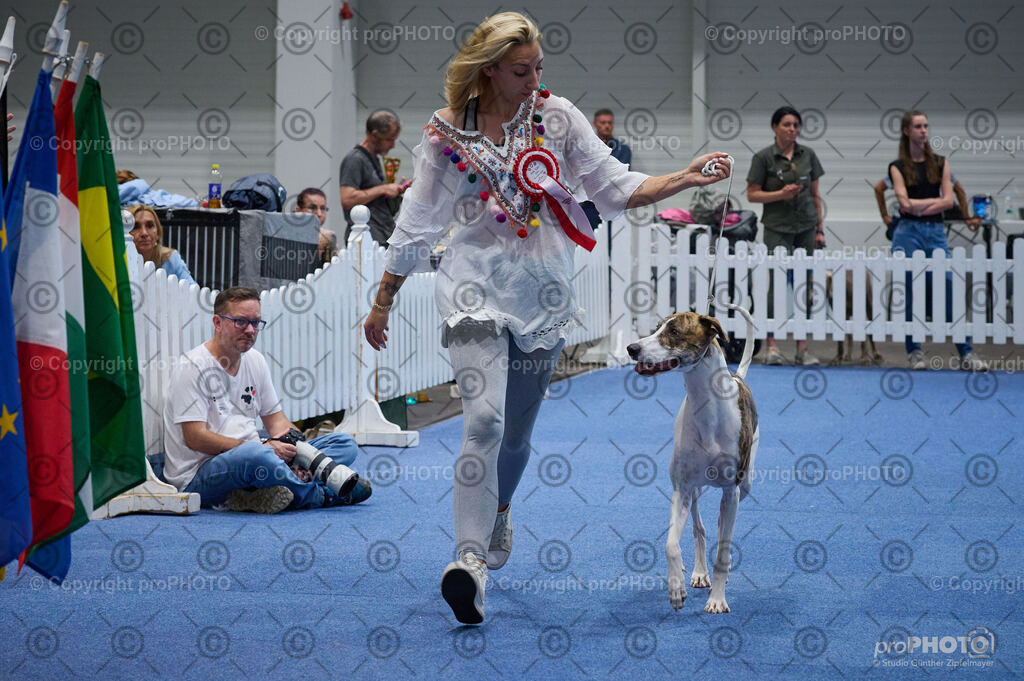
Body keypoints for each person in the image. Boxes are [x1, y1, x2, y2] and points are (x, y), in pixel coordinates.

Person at [362, 11, 732, 624]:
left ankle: (499, 509)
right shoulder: (444, 135)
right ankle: (469, 563)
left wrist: (681, 178)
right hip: (472, 287)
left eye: (539, 66)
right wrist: (384, 298)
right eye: (521, 69)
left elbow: (612, 184)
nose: (536, 77)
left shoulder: (557, 117)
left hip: (545, 294)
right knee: (482, 418)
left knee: (516, 435)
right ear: (488, 71)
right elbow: (419, 221)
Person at [163, 286, 372, 512]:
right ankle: (322, 495)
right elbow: (195, 438)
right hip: (200, 474)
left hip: (258, 454)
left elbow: (277, 423)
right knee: (256, 456)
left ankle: (262, 491)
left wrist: (296, 451)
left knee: (344, 444)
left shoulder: (255, 360)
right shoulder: (192, 367)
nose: (251, 330)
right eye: (241, 322)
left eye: (256, 323)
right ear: (218, 323)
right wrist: (265, 450)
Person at [888, 110, 988, 371]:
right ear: (907, 131)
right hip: (907, 232)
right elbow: (903, 204)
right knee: (909, 289)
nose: (924, 131)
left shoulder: (941, 163)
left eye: (926, 126)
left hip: (934, 231)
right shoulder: (897, 167)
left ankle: (966, 352)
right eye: (918, 126)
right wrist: (928, 205)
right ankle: (915, 352)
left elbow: (947, 200)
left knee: (946, 287)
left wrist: (919, 206)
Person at [746, 106, 826, 366]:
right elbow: (752, 194)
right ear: (775, 127)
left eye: (796, 125)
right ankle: (772, 346)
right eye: (787, 124)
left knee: (805, 286)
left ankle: (802, 347)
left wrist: (820, 229)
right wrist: (781, 194)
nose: (792, 129)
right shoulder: (763, 158)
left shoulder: (808, 155)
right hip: (777, 227)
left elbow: (815, 195)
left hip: (806, 227)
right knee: (775, 286)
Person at [339, 110, 408, 244]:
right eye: (389, 139)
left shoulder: (373, 159)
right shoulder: (355, 160)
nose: (393, 145)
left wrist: (394, 191)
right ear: (374, 135)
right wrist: (383, 189)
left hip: (382, 235)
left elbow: (373, 198)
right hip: (366, 239)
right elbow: (347, 199)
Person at [874, 174, 981, 238]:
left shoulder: (939, 167)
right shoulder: (902, 168)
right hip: (912, 222)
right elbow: (878, 188)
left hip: (921, 222)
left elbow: (959, 190)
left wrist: (966, 217)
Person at [129, 206, 197, 286]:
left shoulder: (171, 258)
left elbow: (192, 290)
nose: (144, 233)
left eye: (150, 226)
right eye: (136, 227)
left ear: (157, 233)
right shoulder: (119, 261)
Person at [295, 187, 338, 264]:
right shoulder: (287, 234)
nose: (319, 213)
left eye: (322, 208)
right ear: (298, 210)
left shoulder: (328, 236)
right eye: (312, 208)